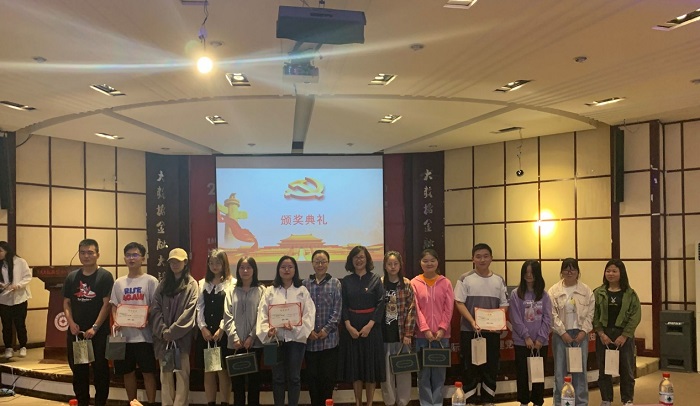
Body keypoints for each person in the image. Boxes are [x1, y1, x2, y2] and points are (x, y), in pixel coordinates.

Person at [453, 243, 508, 406]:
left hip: (492, 331)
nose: (482, 260)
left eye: (485, 256)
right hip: (469, 330)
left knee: (491, 365)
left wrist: (498, 320)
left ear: (491, 258)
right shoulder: (465, 278)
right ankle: (470, 400)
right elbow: (459, 302)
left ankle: (488, 399)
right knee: (469, 365)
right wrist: (472, 321)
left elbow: (504, 304)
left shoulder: (499, 279)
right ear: (473, 259)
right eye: (478, 256)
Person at [256, 256, 315, 406]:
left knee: (294, 378)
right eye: (283, 267)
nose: (287, 270)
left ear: (295, 270)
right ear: (278, 270)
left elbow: (309, 315)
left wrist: (295, 328)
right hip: (275, 341)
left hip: (296, 341)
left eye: (290, 267)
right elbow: (262, 313)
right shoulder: (270, 291)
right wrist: (267, 331)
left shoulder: (302, 291)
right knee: (277, 378)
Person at [62, 239, 114, 406]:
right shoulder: (72, 277)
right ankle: (82, 401)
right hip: (78, 335)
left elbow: (107, 304)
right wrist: (71, 323)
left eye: (90, 252)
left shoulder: (105, 276)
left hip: (97, 333)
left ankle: (100, 402)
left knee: (100, 370)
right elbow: (66, 303)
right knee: (80, 371)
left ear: (97, 254)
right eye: (83, 252)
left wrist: (95, 327)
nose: (86, 256)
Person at [110, 242, 159, 406]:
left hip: (144, 336)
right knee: (127, 372)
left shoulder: (150, 281)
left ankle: (151, 403)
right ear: (124, 258)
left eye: (135, 255)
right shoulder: (119, 283)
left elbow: (155, 305)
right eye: (128, 255)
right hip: (124, 337)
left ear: (143, 258)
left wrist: (145, 317)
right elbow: (114, 306)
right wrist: (117, 320)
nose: (132, 258)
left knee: (148, 373)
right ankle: (132, 403)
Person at [337, 246, 385, 406]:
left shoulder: (375, 279)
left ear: (367, 259)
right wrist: (348, 326)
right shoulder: (346, 281)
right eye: (356, 257)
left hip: (371, 328)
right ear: (351, 260)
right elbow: (343, 305)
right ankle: (358, 402)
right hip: (352, 328)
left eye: (362, 257)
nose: (359, 260)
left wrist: (370, 325)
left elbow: (381, 304)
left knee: (370, 368)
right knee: (355, 368)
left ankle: (370, 403)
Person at [151, 248, 199, 406]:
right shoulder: (163, 284)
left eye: (178, 261)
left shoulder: (192, 285)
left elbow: (190, 312)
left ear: (185, 262)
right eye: (172, 262)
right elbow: (155, 308)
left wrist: (172, 332)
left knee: (182, 376)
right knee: (165, 376)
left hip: (181, 339)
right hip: (164, 340)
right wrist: (163, 331)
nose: (175, 264)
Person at [593, 259, 641, 406]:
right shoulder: (598, 292)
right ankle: (606, 399)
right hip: (604, 335)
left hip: (624, 335)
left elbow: (635, 316)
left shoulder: (630, 294)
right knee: (604, 369)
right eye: (608, 271)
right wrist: (601, 333)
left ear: (621, 273)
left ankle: (627, 399)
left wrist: (625, 335)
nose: (611, 274)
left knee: (626, 369)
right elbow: (593, 314)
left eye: (614, 271)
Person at [548, 257, 595, 406]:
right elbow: (552, 314)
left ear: (578, 272)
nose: (569, 272)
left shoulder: (586, 290)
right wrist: (562, 332)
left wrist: (583, 332)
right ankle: (559, 403)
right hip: (561, 335)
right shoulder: (554, 291)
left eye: (573, 269)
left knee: (580, 371)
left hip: (580, 335)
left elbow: (591, 314)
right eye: (566, 269)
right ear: (561, 272)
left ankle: (581, 403)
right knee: (560, 371)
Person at [411, 248, 453, 406]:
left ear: (437, 262)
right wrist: (425, 329)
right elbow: (415, 309)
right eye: (425, 261)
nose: (429, 264)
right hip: (422, 337)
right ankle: (426, 403)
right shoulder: (414, 283)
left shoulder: (446, 282)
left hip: (442, 336)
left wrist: (442, 328)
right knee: (423, 374)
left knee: (439, 374)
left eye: (432, 260)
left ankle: (437, 403)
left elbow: (449, 308)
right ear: (420, 263)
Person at [508, 260, 552, 406]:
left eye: (532, 272)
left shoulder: (544, 295)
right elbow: (515, 318)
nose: (529, 275)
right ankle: (524, 401)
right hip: (521, 342)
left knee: (538, 373)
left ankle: (538, 401)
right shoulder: (516, 294)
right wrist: (526, 336)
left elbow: (547, 318)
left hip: (540, 343)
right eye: (526, 272)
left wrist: (540, 338)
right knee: (522, 373)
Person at [224, 256, 266, 406]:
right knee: (237, 384)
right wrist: (234, 337)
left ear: (254, 270)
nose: (245, 271)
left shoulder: (261, 290)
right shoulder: (231, 290)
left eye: (249, 267)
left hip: (254, 343)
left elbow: (262, 316)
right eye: (242, 267)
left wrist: (251, 337)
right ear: (238, 270)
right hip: (235, 344)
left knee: (254, 382)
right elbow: (227, 315)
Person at [302, 250, 342, 406]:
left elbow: (337, 310)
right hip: (310, 341)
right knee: (312, 379)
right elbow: (301, 311)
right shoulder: (305, 284)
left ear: (328, 263)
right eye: (317, 262)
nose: (320, 265)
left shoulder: (335, 283)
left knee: (328, 379)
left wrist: (326, 329)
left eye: (323, 262)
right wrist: (308, 330)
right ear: (312, 264)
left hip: (329, 341)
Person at [196, 249, 235, 406]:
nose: (214, 266)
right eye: (211, 263)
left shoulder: (232, 283)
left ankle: (225, 402)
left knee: (223, 371)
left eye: (218, 263)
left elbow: (230, 309)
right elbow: (199, 307)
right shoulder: (202, 283)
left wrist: (222, 328)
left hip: (222, 334)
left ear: (224, 264)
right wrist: (202, 327)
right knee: (209, 370)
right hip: (206, 334)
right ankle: (211, 402)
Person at [381, 251, 415, 406]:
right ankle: (389, 402)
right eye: (389, 264)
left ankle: (403, 402)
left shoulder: (406, 284)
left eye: (396, 264)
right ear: (385, 266)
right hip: (384, 334)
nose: (393, 267)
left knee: (403, 370)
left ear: (400, 265)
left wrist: (408, 333)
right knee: (386, 374)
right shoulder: (380, 283)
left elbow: (412, 309)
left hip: (402, 335)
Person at [0, 241, 32, 359]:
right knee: (6, 325)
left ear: (7, 251)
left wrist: (17, 286)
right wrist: (2, 285)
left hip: (19, 298)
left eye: (0, 251)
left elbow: (27, 276)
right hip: (3, 299)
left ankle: (23, 346)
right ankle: (8, 348)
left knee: (20, 324)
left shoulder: (20, 262)